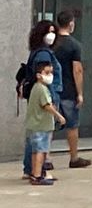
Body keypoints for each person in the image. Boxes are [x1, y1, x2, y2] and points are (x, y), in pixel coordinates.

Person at [23, 21, 62, 180]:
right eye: (48, 32)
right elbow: (47, 79)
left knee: (34, 139)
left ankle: (32, 170)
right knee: (41, 142)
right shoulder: (44, 55)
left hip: (37, 99)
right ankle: (38, 171)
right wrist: (55, 108)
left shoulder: (36, 52)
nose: (51, 35)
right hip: (45, 99)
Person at [53, 10, 91, 168]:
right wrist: (80, 93)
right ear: (70, 24)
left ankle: (45, 159)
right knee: (72, 125)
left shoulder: (51, 43)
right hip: (68, 90)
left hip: (51, 89)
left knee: (48, 125)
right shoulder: (74, 45)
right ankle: (74, 157)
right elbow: (77, 70)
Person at [24, 61, 65, 186]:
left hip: (34, 125)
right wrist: (59, 116)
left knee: (36, 151)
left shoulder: (37, 88)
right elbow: (46, 105)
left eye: (51, 72)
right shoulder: (41, 89)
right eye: (47, 72)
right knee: (41, 151)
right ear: (38, 75)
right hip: (41, 125)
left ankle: (35, 173)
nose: (50, 75)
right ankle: (37, 175)